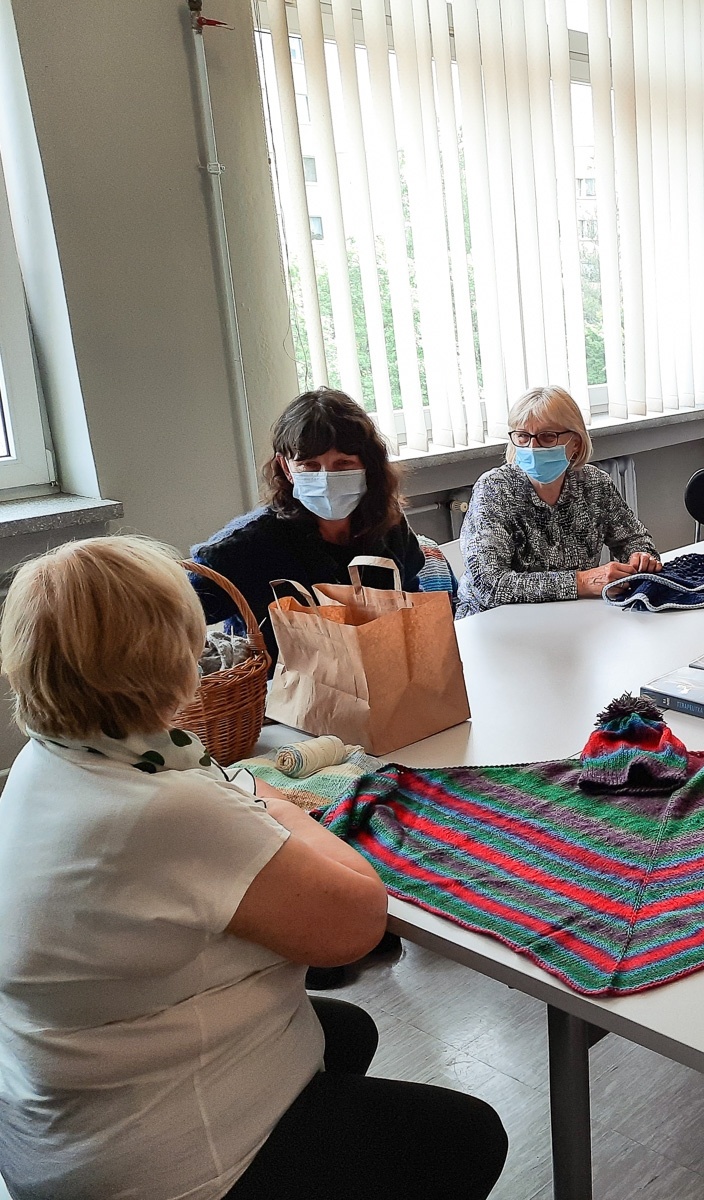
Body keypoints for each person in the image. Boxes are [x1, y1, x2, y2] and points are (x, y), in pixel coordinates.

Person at [0, 537, 506, 1200]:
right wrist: (265, 798)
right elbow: (358, 922)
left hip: (57, 1124)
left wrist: (240, 798)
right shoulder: (163, 807)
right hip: (149, 1167)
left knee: (345, 1031)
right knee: (468, 1135)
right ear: (170, 660)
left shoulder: (52, 761)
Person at [191, 388, 426, 661]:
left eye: (343, 464)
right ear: (287, 468)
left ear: (367, 466)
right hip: (285, 695)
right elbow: (171, 619)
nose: (327, 478)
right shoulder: (244, 547)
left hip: (383, 681)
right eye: (310, 465)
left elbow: (413, 607)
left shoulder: (388, 526)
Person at [456, 385, 659, 615]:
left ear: (576, 443)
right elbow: (489, 585)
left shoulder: (594, 484)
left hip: (571, 617)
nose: (532, 447)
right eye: (523, 436)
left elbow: (634, 539)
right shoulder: (495, 488)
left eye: (547, 437)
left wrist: (640, 559)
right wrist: (582, 582)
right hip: (492, 624)